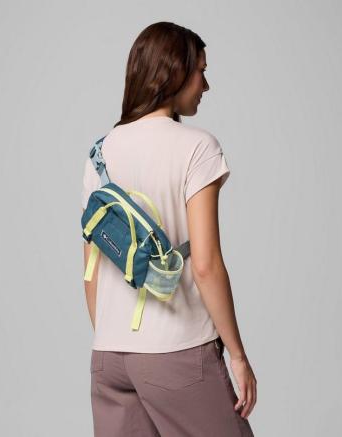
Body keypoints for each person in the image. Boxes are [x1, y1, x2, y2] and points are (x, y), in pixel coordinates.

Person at [82, 21, 257, 437]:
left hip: (109, 357)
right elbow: (205, 265)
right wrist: (237, 355)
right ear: (175, 72)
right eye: (201, 71)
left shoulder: (99, 153)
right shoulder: (197, 147)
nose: (206, 85)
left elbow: (91, 270)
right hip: (177, 351)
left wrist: (116, 337)